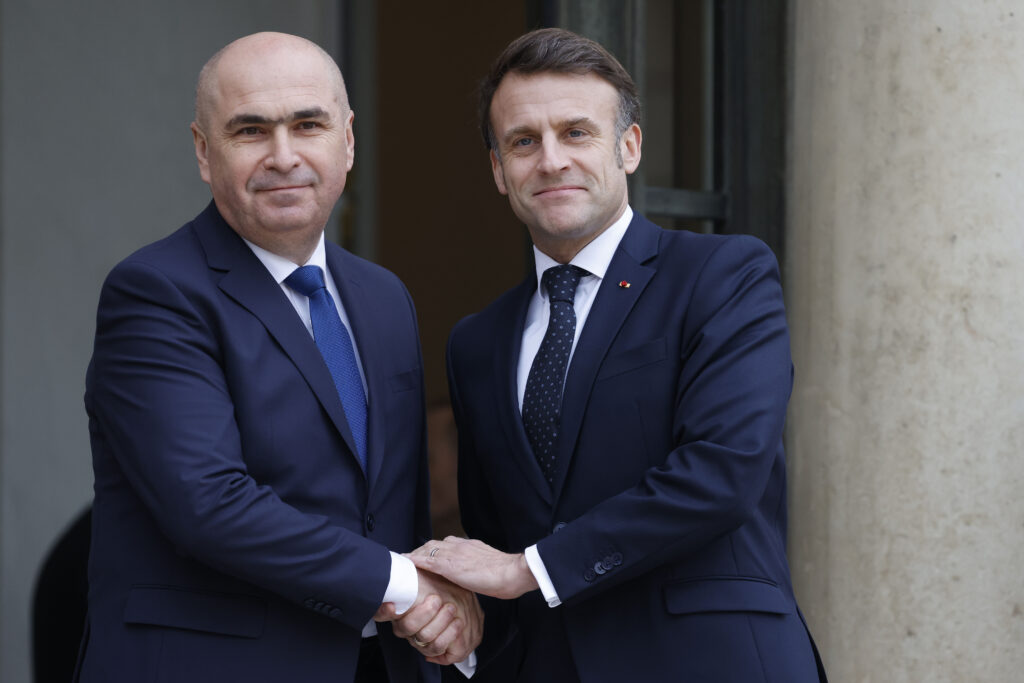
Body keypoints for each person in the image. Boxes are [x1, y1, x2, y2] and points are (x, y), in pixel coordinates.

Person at [410, 28, 828, 682]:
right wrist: (464, 629)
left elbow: (721, 472)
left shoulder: (722, 275)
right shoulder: (477, 342)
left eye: (576, 132)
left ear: (629, 147)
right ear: (497, 169)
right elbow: (496, 539)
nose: (551, 160)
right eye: (523, 141)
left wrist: (530, 568)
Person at [77, 32, 480, 683]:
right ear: (204, 151)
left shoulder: (384, 297)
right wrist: (408, 585)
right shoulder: (156, 293)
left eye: (308, 125)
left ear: (348, 140)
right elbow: (209, 504)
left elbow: (393, 501)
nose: (284, 155)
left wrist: (444, 606)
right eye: (251, 130)